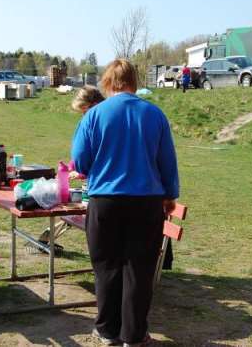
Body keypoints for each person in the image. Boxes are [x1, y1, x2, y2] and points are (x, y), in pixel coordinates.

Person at [71, 59, 179, 346]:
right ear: (134, 81)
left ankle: (107, 331)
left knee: (106, 266)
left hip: (105, 201)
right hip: (146, 203)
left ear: (108, 82)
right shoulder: (154, 114)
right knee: (139, 269)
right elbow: (167, 161)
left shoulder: (94, 115)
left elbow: (80, 161)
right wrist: (170, 195)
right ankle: (134, 334)